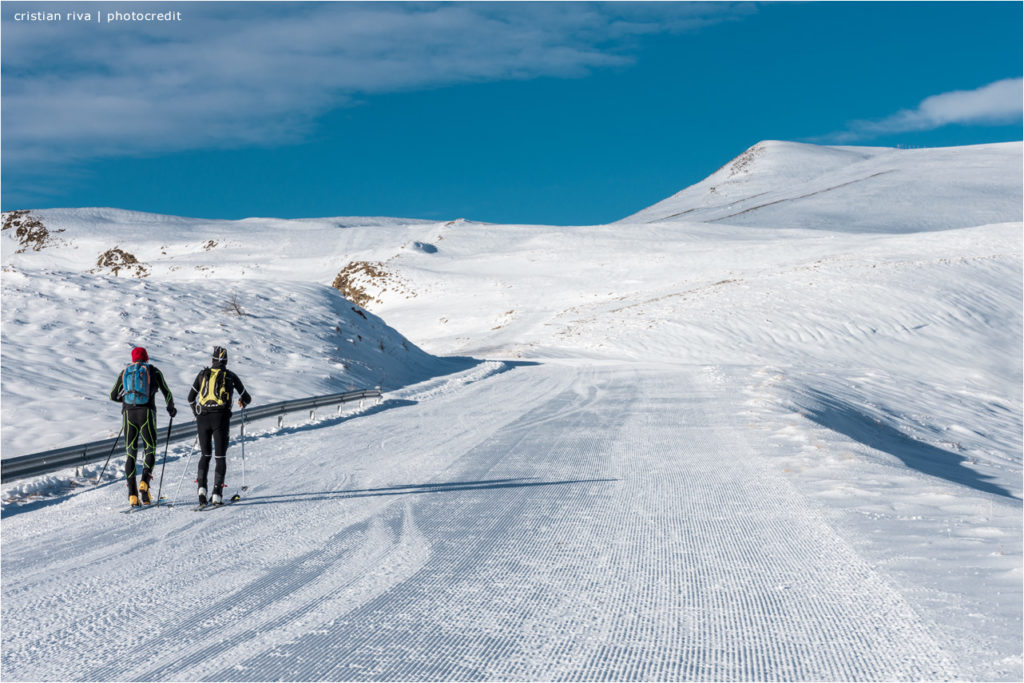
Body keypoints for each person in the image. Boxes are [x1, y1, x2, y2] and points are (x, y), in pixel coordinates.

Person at [109, 346, 176, 507]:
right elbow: (167, 392)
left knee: (130, 453)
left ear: (133, 358)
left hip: (128, 415)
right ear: (146, 357)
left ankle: (132, 495)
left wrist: (127, 402)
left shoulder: (125, 372)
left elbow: (112, 395)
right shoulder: (153, 370)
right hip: (146, 413)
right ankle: (144, 482)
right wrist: (171, 408)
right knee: (150, 449)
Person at [187, 345, 252, 505]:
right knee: (220, 457)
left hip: (203, 418)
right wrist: (241, 401)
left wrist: (197, 413)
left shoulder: (203, 374)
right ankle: (217, 494)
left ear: (212, 360)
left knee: (205, 455)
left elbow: (190, 398)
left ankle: (202, 490)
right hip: (221, 419)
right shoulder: (230, 376)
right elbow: (247, 398)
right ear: (226, 361)